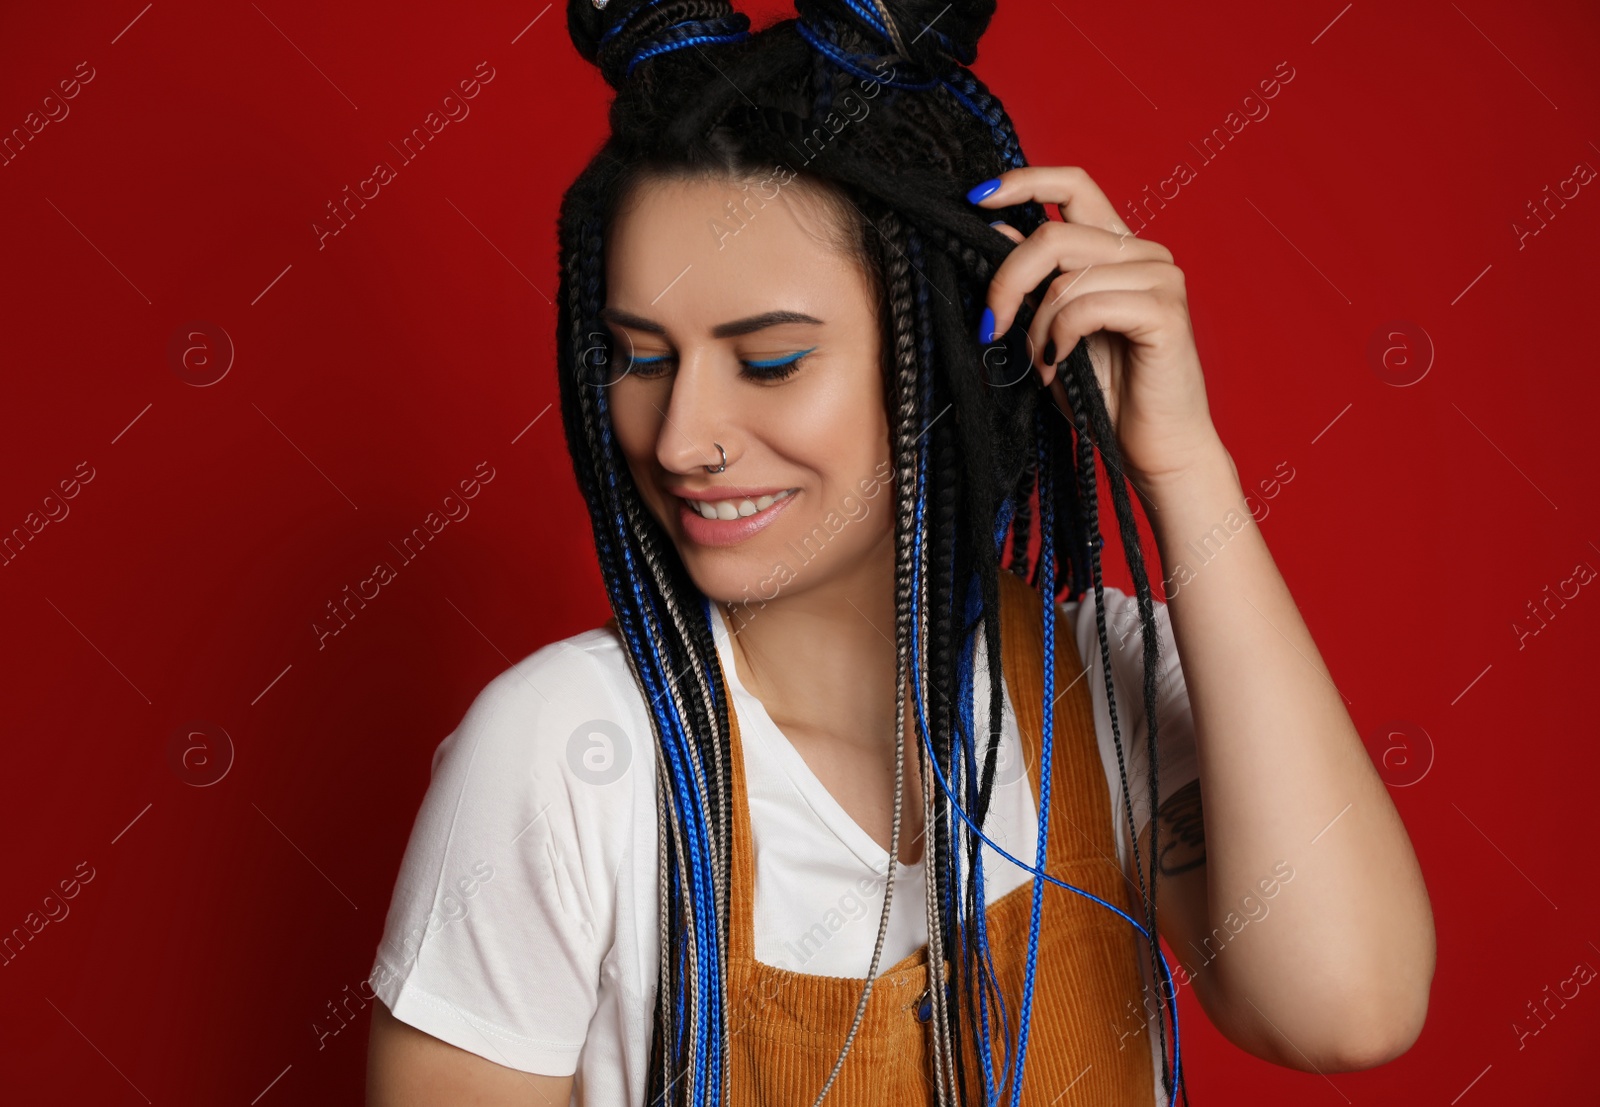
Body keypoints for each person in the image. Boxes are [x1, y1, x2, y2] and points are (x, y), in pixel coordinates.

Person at [366, 2, 1436, 1104]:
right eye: (638, 359)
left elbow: (1346, 1008)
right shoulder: (563, 756)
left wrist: (1181, 467)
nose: (682, 439)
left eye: (770, 360)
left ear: (947, 353)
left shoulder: (1105, 688)